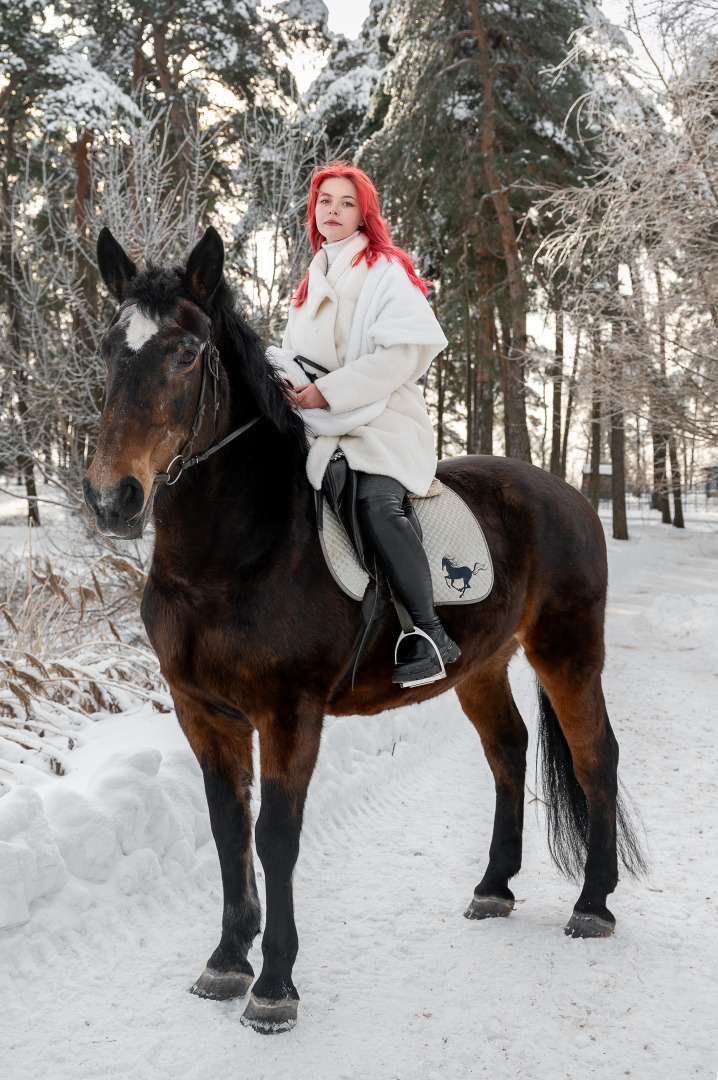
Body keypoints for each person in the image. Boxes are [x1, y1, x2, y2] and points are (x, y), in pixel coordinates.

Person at [267, 161, 460, 688]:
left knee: (375, 498)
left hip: (380, 416)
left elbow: (399, 356)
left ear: (363, 214)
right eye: (325, 201)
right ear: (314, 211)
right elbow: (297, 356)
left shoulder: (386, 270)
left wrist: (327, 391)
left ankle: (427, 632)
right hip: (317, 419)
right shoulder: (311, 279)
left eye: (345, 203)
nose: (333, 210)